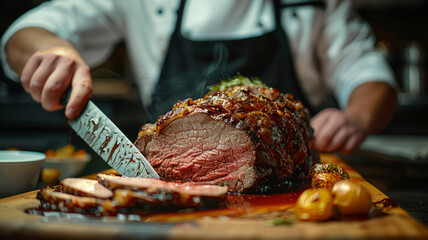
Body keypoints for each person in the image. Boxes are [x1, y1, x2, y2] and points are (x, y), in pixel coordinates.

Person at [0, 0, 398, 154]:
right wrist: (53, 51)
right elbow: (26, 33)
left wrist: (356, 117)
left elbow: (367, 72)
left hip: (305, 161)